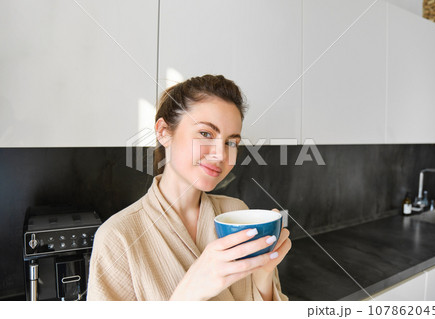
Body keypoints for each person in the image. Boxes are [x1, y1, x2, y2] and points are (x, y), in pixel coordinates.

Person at [87, 74, 291, 301]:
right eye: (205, 133)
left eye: (231, 142)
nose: (220, 154)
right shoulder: (117, 237)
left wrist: (264, 273)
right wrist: (187, 296)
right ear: (164, 132)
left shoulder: (236, 213)